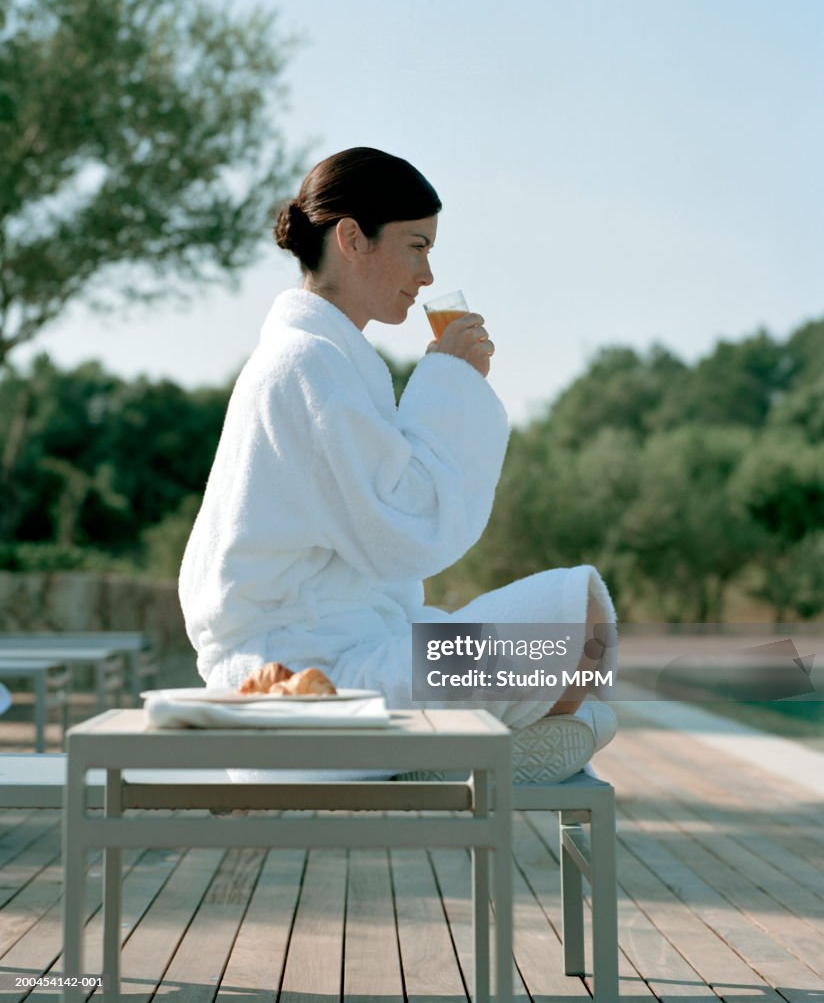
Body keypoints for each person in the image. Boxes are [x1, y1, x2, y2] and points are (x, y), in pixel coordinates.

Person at [179, 147, 617, 782]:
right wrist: (451, 381)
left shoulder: (328, 361)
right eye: (417, 246)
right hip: (305, 680)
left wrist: (449, 382)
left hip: (356, 650)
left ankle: (455, 751)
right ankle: (436, 758)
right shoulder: (305, 364)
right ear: (353, 238)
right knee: (576, 616)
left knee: (582, 640)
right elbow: (406, 526)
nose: (428, 274)